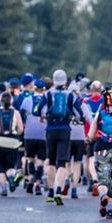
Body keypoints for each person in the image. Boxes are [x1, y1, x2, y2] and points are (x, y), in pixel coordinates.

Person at [39, 70, 84, 205]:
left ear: (53, 80)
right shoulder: (70, 95)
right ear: (65, 81)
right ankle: (59, 189)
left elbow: (39, 110)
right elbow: (79, 113)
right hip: (65, 130)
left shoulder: (47, 94)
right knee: (62, 163)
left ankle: (50, 192)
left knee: (51, 161)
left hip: (50, 129)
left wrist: (44, 117)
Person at [0, 92, 24, 197]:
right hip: (12, 142)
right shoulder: (16, 113)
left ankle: (3, 188)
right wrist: (15, 134)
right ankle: (11, 178)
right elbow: (20, 129)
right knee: (11, 165)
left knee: (0, 166)